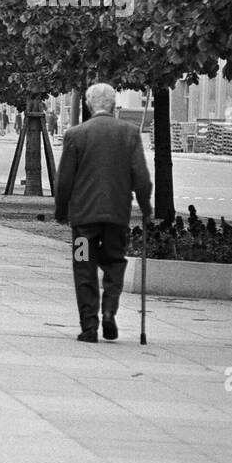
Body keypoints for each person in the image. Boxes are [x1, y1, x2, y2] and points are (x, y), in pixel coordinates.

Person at [55, 82, 153, 343]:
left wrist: (61, 210)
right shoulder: (130, 133)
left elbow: (64, 179)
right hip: (116, 217)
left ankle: (89, 326)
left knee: (82, 266)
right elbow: (142, 177)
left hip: (83, 221)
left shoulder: (75, 134)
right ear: (113, 105)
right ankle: (109, 310)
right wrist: (146, 208)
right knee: (114, 260)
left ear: (88, 105)